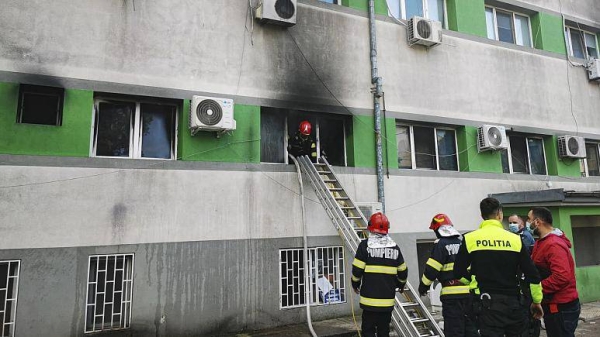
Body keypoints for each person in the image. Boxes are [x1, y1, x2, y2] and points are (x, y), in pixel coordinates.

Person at [454, 197, 544, 337]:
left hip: (485, 305)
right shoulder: (515, 240)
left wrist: (473, 280)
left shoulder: (470, 238)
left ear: (482, 216)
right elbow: (533, 275)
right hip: (513, 305)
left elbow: (457, 272)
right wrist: (537, 301)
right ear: (500, 214)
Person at [418, 214, 478, 337]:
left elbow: (431, 270)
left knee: (454, 331)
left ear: (437, 230)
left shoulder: (440, 245)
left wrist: (423, 287)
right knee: (470, 330)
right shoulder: (463, 242)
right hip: (469, 295)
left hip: (452, 297)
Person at [352, 212, 407, 337]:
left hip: (369, 303)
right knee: (383, 331)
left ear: (371, 227)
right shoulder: (394, 248)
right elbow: (403, 272)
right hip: (387, 302)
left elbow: (357, 270)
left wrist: (355, 284)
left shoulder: (365, 246)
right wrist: (400, 285)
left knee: (368, 331)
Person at [528, 207, 580, 337]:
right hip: (552, 305)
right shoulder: (541, 242)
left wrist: (537, 288)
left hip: (560, 307)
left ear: (538, 222)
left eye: (529, 219)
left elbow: (561, 276)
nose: (527, 223)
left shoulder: (553, 244)